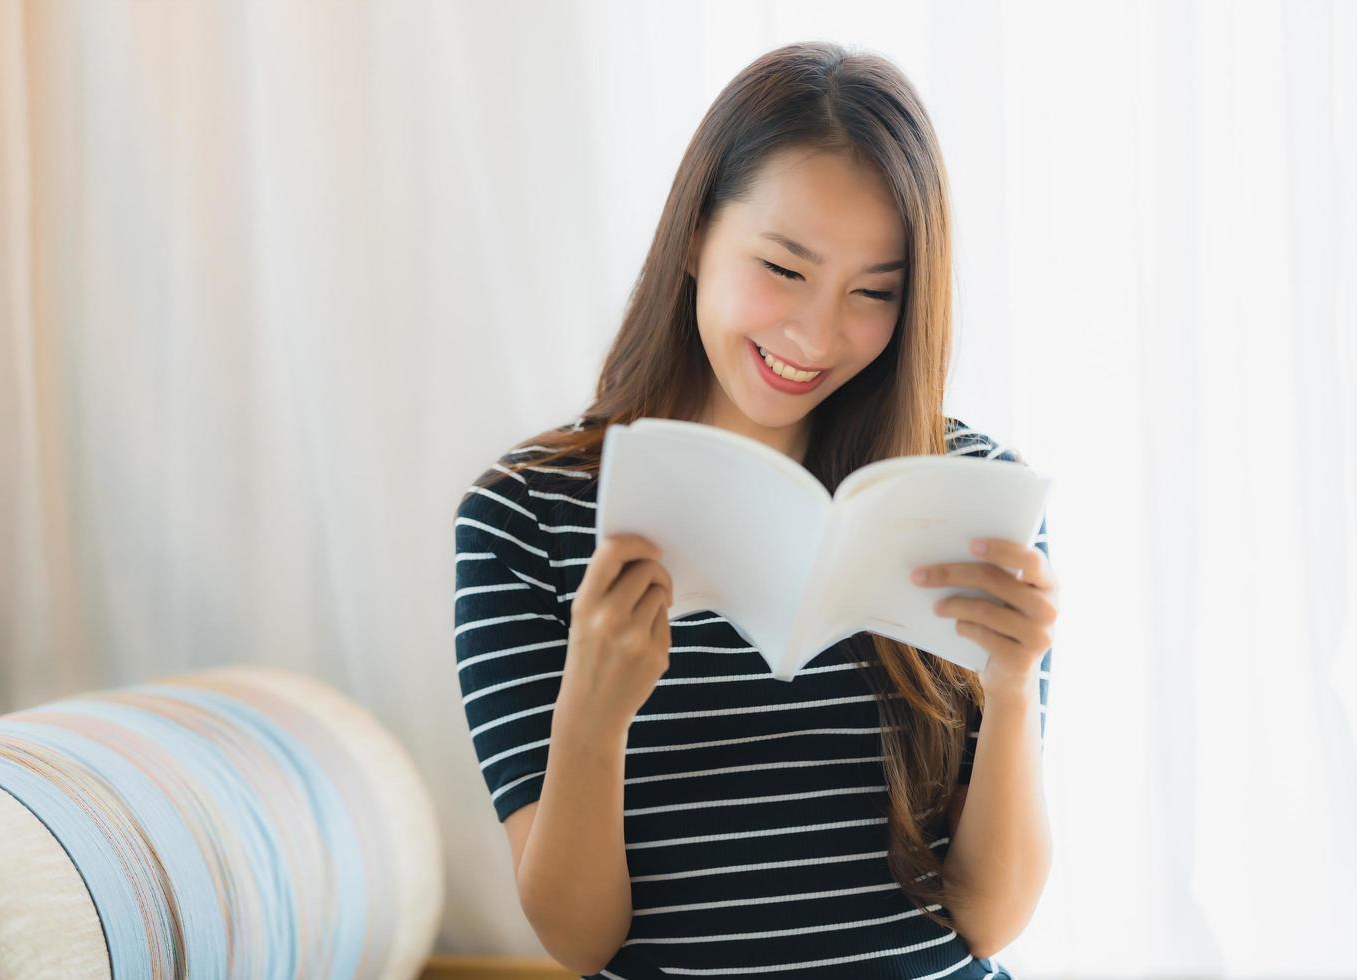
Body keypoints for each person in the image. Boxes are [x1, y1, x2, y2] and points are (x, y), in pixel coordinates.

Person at [452, 40, 1059, 979]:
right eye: (782, 268)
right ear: (695, 234)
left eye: (873, 293)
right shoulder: (528, 518)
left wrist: (1015, 692)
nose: (815, 335)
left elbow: (988, 920)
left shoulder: (964, 491)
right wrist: (594, 716)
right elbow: (579, 939)